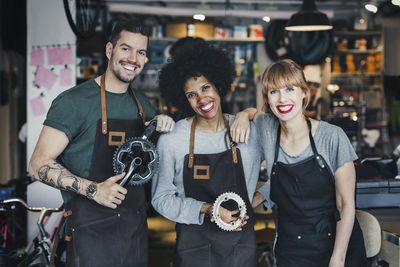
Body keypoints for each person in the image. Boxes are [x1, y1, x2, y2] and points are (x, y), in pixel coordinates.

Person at [28, 20, 175, 267]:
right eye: (125, 49)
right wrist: (95, 190)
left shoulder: (142, 104)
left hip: (133, 232)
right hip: (89, 232)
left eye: (141, 52)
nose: (133, 59)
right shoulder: (73, 102)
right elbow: (37, 164)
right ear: (110, 50)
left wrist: (160, 123)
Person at [231, 59, 366, 267]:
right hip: (292, 248)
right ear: (267, 97)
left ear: (304, 93)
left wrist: (337, 260)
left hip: (336, 247)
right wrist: (242, 115)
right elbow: (253, 113)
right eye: (274, 92)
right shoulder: (267, 128)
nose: (282, 99)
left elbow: (345, 205)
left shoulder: (332, 137)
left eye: (290, 89)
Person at [151, 41, 263, 267]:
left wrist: (262, 196)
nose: (202, 99)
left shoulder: (248, 132)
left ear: (218, 85)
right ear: (184, 99)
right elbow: (161, 199)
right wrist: (205, 208)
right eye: (191, 94)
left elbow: (289, 162)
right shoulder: (173, 139)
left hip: (240, 250)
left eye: (205, 87)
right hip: (195, 250)